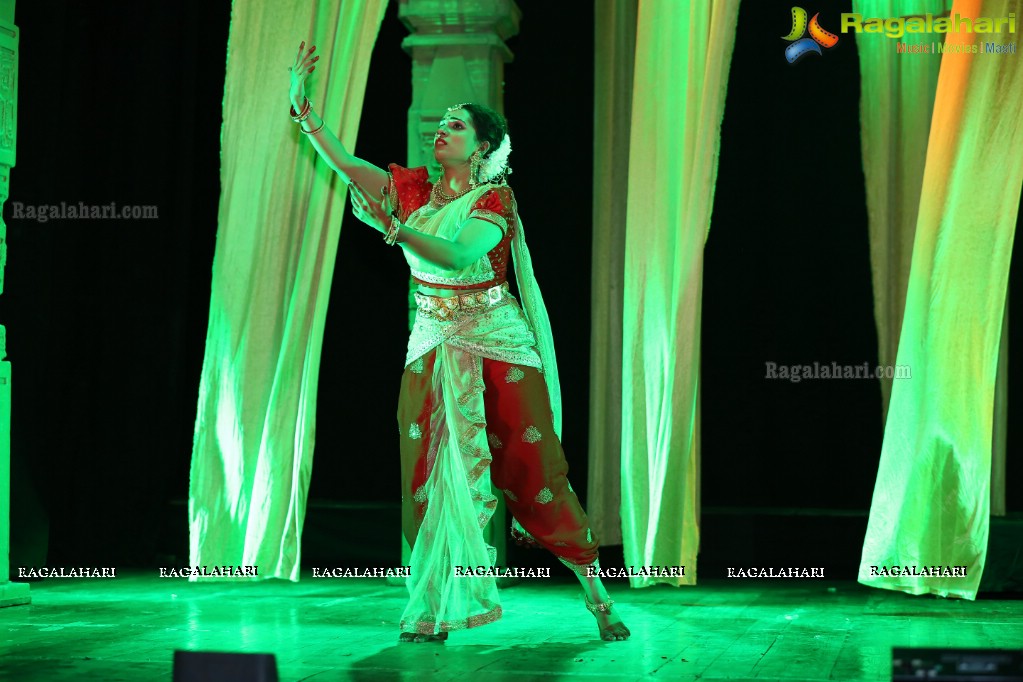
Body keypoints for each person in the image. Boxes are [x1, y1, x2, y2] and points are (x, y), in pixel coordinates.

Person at [288, 41, 630, 643]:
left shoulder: (494, 199)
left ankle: (598, 597)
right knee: (427, 471)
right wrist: (303, 108)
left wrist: (395, 229)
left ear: (482, 147)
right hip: (432, 339)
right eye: (440, 122)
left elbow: (457, 254)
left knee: (534, 470)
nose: (441, 130)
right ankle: (431, 608)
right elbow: (346, 164)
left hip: (496, 340)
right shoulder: (414, 188)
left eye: (455, 125)